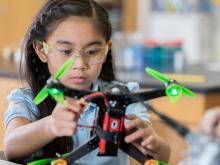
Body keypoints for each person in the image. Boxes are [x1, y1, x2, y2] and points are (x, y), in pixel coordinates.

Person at [3, 0, 170, 164]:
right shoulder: (26, 100)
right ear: (41, 49)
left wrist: (152, 143)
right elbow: (11, 148)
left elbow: (163, 157)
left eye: (92, 51)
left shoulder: (122, 97)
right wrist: (50, 126)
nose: (80, 64)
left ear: (106, 50)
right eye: (66, 51)